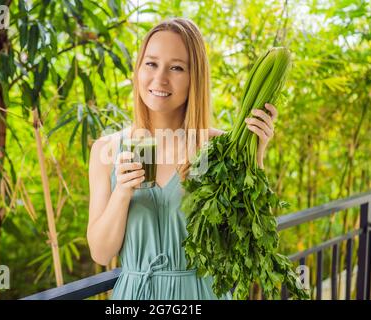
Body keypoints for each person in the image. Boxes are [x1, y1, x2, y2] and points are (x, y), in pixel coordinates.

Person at [87, 17, 278, 300]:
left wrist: (256, 157)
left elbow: (250, 242)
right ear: (139, 69)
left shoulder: (221, 148)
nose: (160, 78)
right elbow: (101, 253)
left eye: (176, 67)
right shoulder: (107, 150)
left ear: (194, 77)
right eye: (151, 63)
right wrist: (123, 191)